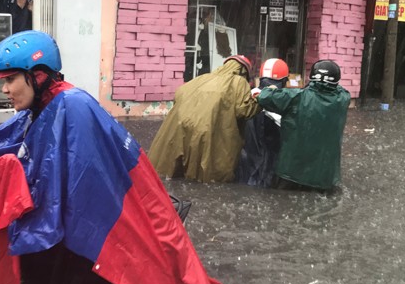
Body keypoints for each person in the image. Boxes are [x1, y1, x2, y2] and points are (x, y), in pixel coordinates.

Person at [0, 30, 254, 284]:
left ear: (38, 76)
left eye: (9, 79)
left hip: (100, 226)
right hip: (81, 224)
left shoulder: (73, 106)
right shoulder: (39, 109)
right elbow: (9, 151)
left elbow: (92, 195)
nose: (4, 89)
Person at [148, 55, 261, 183]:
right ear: (243, 71)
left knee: (177, 177)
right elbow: (244, 110)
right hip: (207, 133)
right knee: (204, 176)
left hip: (180, 129)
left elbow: (179, 93)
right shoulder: (239, 82)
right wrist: (260, 100)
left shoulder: (202, 78)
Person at [254, 59, 351, 191]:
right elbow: (338, 89)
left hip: (290, 173)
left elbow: (264, 96)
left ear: (311, 78)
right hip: (325, 177)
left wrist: (270, 88)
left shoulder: (295, 97)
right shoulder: (343, 99)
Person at [235, 58, 289, 188]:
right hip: (268, 167)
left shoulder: (247, 95)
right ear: (283, 81)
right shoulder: (282, 101)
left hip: (245, 162)